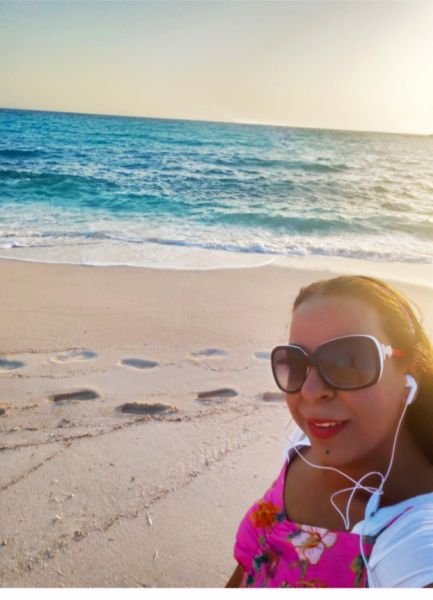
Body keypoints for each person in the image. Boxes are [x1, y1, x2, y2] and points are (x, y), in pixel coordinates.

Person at [226, 275, 433, 588]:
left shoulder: (414, 546)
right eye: (295, 362)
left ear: (408, 370)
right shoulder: (308, 443)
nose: (310, 390)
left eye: (347, 362)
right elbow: (251, 565)